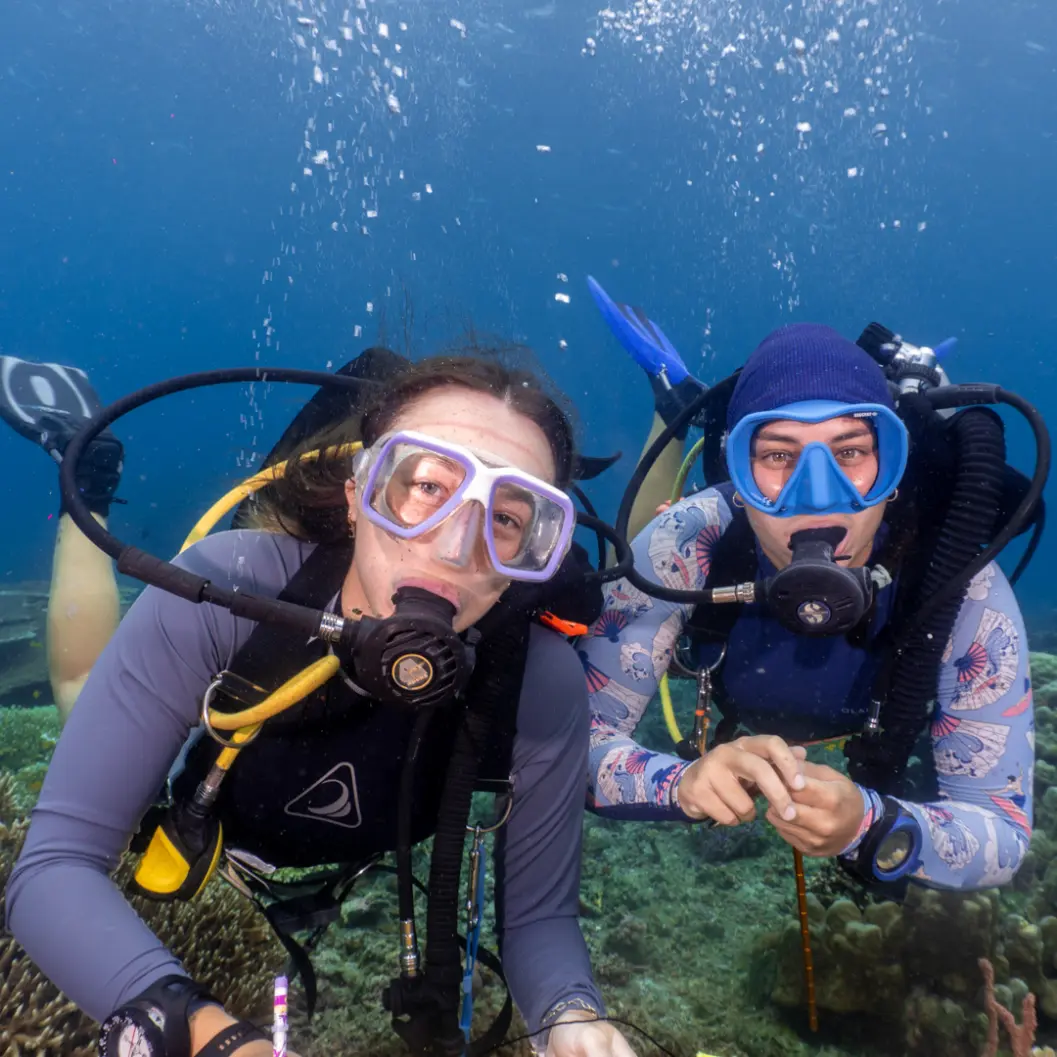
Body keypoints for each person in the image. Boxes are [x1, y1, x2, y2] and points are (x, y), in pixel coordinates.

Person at [2, 351, 639, 1057]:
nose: (457, 546)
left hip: (320, 850)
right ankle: (87, 474)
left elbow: (540, 918)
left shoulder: (538, 683)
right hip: (198, 806)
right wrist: (210, 1035)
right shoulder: (224, 592)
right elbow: (53, 867)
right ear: (358, 490)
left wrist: (572, 1017)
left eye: (511, 518)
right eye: (427, 483)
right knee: (78, 687)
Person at [578, 307, 1034, 892]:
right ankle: (674, 402)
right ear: (738, 476)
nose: (818, 498)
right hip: (688, 555)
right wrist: (682, 784)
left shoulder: (960, 583)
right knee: (640, 547)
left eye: (849, 453)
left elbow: (1003, 832)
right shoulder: (690, 539)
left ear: (893, 466)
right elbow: (576, 745)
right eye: (777, 456)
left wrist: (871, 825)